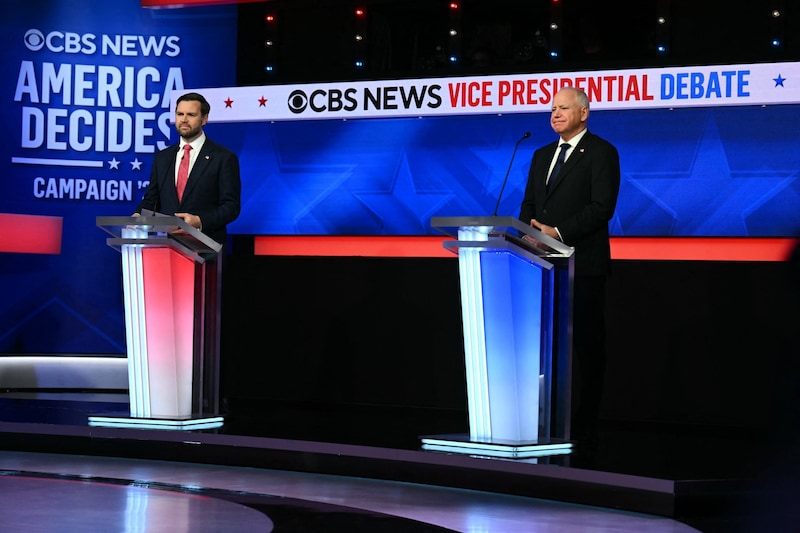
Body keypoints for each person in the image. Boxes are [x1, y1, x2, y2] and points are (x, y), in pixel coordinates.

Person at [518, 86, 620, 444]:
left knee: (588, 347)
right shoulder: (541, 154)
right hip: (542, 267)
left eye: (563, 108)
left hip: (584, 267)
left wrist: (557, 232)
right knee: (545, 346)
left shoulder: (602, 153)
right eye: (552, 109)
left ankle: (586, 422)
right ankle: (544, 417)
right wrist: (528, 233)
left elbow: (602, 207)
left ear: (584, 113)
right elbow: (529, 204)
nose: (555, 114)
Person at [134, 92, 241, 245]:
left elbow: (231, 207)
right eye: (180, 114)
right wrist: (138, 215)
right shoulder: (163, 158)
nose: (184, 119)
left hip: (205, 248)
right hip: (165, 247)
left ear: (204, 119)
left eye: (191, 114)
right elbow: (152, 198)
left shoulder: (223, 157)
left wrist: (199, 221)